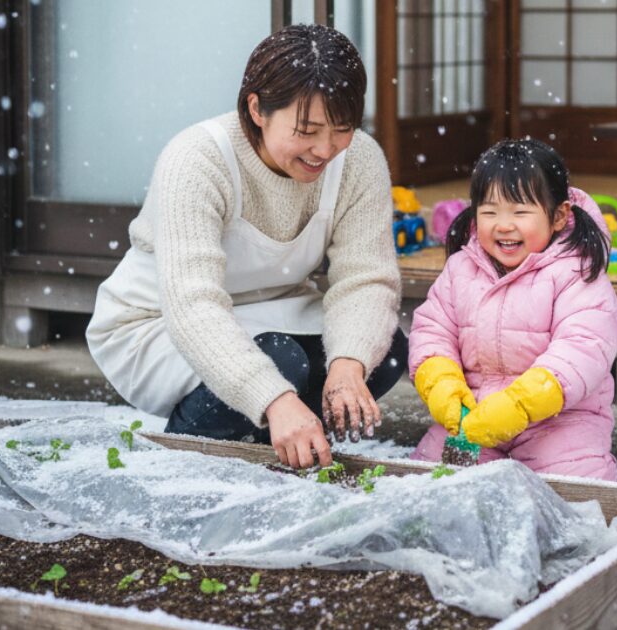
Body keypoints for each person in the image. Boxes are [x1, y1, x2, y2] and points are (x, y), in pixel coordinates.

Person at [86, 24, 404, 469]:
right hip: (157, 321)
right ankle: (188, 463)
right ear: (257, 108)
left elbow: (364, 277)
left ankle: (283, 443)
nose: (324, 149)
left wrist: (347, 367)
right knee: (280, 365)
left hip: (277, 308)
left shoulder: (359, 160)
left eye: (342, 128)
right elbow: (192, 304)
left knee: (382, 354)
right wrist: (274, 398)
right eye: (306, 130)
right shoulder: (197, 159)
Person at [407, 139, 617, 480]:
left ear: (558, 216)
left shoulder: (577, 273)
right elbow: (433, 329)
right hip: (475, 419)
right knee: (430, 477)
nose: (504, 225)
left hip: (558, 420)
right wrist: (441, 383)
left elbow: (584, 346)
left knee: (577, 483)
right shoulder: (462, 268)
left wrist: (522, 404)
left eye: (520, 212)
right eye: (490, 211)